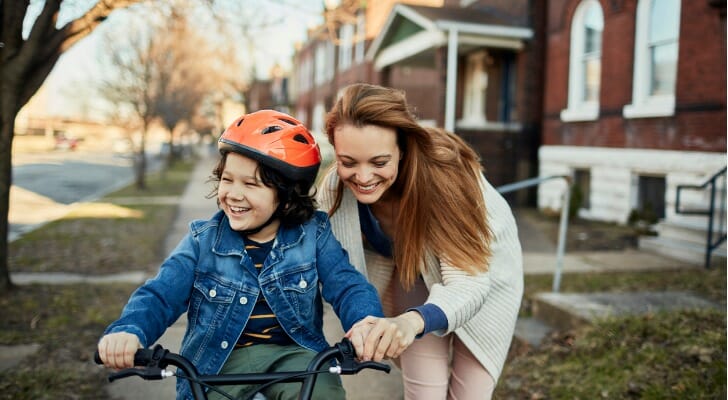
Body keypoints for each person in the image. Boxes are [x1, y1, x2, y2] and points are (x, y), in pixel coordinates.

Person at [97, 110, 385, 400]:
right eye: (227, 179)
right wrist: (130, 331)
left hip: (295, 358)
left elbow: (347, 284)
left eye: (250, 184)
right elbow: (160, 295)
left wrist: (366, 323)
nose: (233, 194)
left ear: (287, 199)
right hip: (218, 364)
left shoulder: (313, 235)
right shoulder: (202, 241)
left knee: (323, 394)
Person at [317, 83, 524, 400]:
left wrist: (410, 322)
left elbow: (469, 284)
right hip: (412, 269)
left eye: (379, 162)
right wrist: (369, 322)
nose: (363, 176)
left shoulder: (443, 176)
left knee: (469, 395)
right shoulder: (334, 192)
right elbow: (342, 273)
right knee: (425, 393)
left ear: (402, 148)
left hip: (483, 274)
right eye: (348, 162)